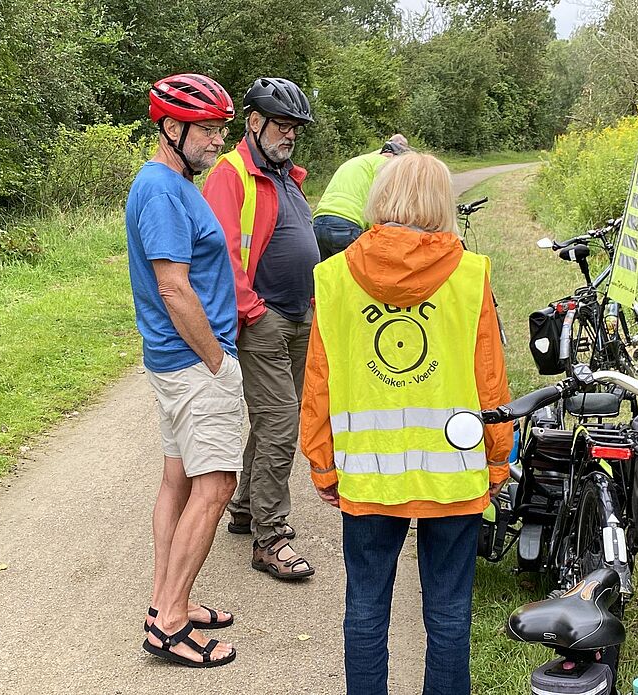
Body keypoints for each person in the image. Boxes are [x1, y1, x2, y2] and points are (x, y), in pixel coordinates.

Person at [300, 152, 513, 694]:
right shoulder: (470, 276)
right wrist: (497, 459)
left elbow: (319, 380)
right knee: (448, 615)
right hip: (454, 473)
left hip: (368, 475)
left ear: (380, 197)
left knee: (365, 610)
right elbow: (490, 380)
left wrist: (322, 462)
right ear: (442, 203)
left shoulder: (333, 277)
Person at [126, 73, 241, 668]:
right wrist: (217, 360)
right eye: (208, 129)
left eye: (222, 128)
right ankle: (170, 624)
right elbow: (173, 287)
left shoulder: (170, 184)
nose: (218, 140)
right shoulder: (163, 192)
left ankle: (166, 600)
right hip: (197, 365)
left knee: (178, 481)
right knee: (216, 485)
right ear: (172, 127)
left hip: (178, 365)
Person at [203, 77, 318, 580]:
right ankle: (270, 538)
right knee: (281, 422)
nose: (289, 134)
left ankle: (246, 507)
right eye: (281, 125)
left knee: (273, 420)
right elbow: (220, 250)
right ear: (254, 122)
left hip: (299, 315)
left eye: (295, 127)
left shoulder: (288, 175)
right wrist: (251, 310)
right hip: (264, 319)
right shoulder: (232, 173)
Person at [312, 134, 410, 259]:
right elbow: (383, 203)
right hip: (347, 224)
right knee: (354, 269)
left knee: (326, 269)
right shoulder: (385, 165)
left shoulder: (361, 160)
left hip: (319, 221)